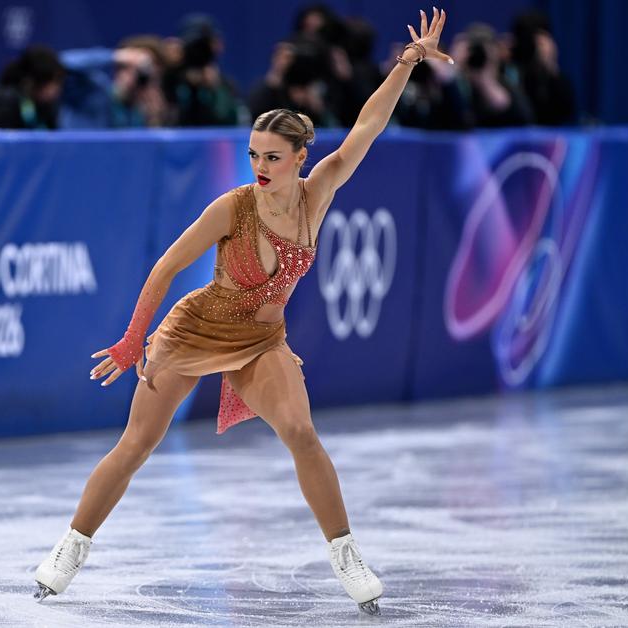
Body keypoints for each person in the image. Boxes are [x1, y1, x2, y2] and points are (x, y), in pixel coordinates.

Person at [33, 8, 453, 616]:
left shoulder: (320, 193)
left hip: (261, 341)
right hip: (193, 329)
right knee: (136, 445)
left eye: (274, 157)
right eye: (254, 153)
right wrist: (133, 340)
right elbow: (167, 267)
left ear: (302, 157)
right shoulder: (232, 207)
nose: (260, 167)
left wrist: (408, 62)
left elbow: (367, 126)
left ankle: (345, 554)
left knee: (302, 434)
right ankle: (70, 548)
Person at [0, 45, 64, 130]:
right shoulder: (2, 103)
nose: (57, 89)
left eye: (59, 83)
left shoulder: (47, 107)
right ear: (32, 82)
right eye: (53, 83)